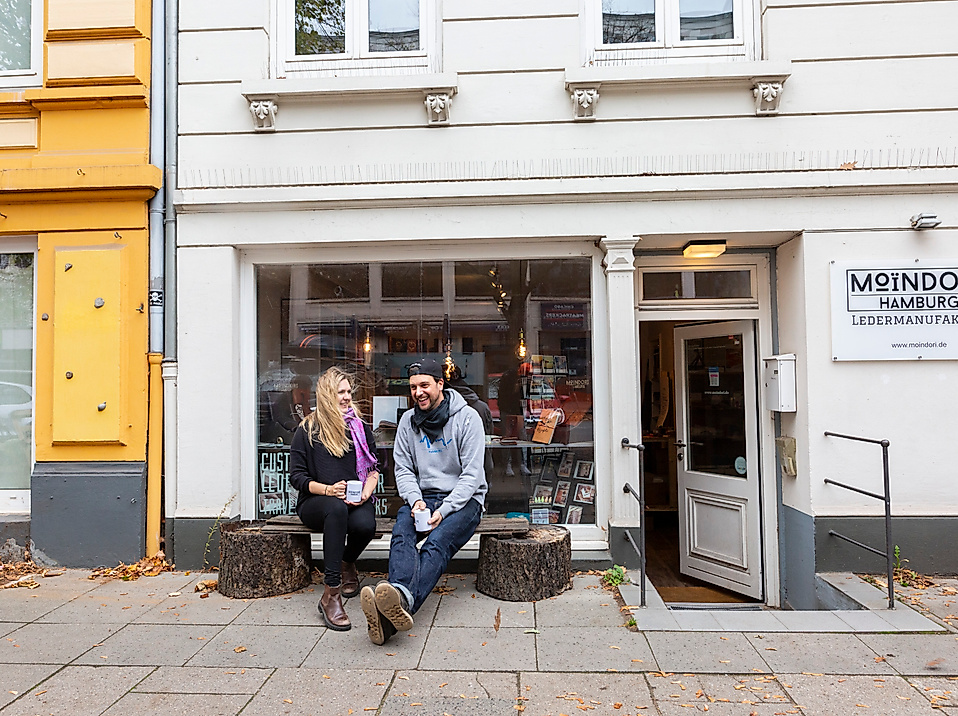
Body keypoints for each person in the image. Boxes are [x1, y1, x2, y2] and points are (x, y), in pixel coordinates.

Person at [361, 357, 487, 645]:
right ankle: (396, 606)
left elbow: (471, 476)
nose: (418, 392)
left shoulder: (468, 419)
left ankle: (397, 603)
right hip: (424, 497)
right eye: (413, 387)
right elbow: (403, 469)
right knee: (402, 532)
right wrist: (416, 501)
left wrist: (444, 510)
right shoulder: (408, 421)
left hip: (465, 501)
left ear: (441, 384)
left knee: (436, 543)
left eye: (425, 385)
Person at [289, 367, 379, 631]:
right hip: (317, 502)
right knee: (335, 509)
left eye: (349, 391)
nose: (347, 397)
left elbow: (374, 468)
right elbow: (297, 478)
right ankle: (331, 594)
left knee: (366, 526)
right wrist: (328, 490)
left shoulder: (359, 428)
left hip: (353, 499)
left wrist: (366, 492)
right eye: (341, 392)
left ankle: (346, 560)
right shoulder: (307, 430)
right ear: (327, 394)